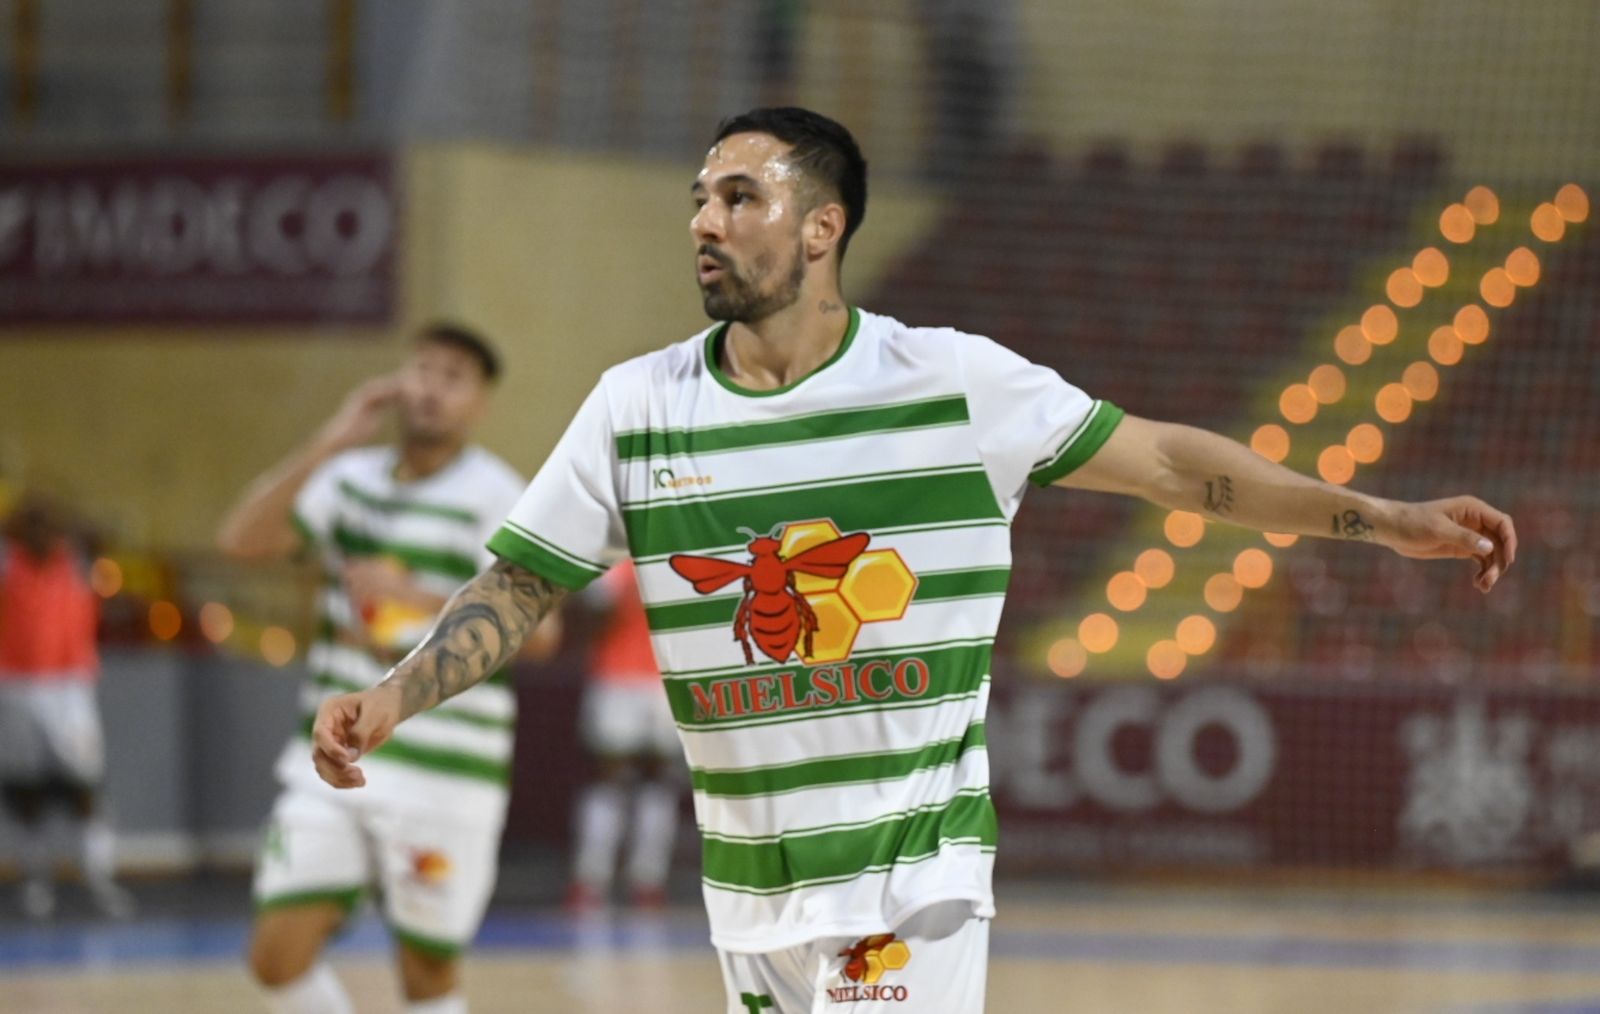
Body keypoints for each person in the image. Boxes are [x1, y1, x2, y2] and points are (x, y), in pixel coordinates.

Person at [307, 109, 1518, 1013]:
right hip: (749, 885)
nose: (703, 223)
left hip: (908, 879)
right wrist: (394, 694)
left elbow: (1167, 466)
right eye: (698, 199)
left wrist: (1379, 517)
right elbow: (521, 582)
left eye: (738, 197)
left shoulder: (950, 381)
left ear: (821, 227)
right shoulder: (637, 406)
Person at [218, 323, 553, 1014]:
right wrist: (335, 437)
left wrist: (416, 599)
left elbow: (543, 638)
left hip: (446, 773)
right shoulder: (348, 479)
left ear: (481, 402)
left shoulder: (498, 495)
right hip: (332, 756)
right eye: (423, 369)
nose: (431, 387)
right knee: (275, 957)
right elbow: (241, 541)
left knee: (425, 975)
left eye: (453, 376)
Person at [0, 493, 135, 921]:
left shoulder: (78, 564)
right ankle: (35, 879)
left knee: (86, 785)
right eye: (31, 526)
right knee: (26, 789)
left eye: (47, 526)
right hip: (16, 686)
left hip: (70, 687)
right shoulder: (7, 564)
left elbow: (105, 531)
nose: (39, 535)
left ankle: (99, 877)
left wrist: (68, 521)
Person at [565, 558, 680, 912]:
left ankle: (648, 881)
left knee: (657, 782)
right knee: (610, 780)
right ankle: (591, 879)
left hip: (661, 680)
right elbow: (592, 619)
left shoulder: (673, 560)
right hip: (616, 678)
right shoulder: (614, 563)